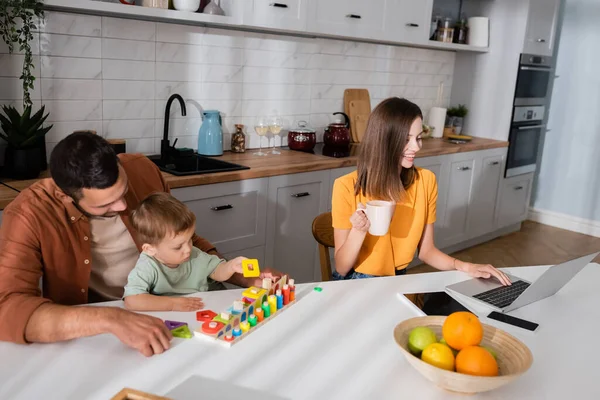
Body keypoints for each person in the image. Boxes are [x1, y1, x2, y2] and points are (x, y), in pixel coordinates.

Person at [0, 132, 280, 356]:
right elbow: (7, 308)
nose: (123, 206)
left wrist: (247, 277)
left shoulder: (142, 170)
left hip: (173, 312)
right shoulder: (29, 214)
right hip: (98, 338)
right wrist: (108, 319)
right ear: (67, 196)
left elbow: (187, 244)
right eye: (107, 204)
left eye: (122, 191)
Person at [331, 97, 511, 285]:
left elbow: (427, 252)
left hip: (397, 280)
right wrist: (358, 231)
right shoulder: (347, 186)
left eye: (418, 138)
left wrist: (466, 266)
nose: (416, 147)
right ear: (384, 141)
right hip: (354, 281)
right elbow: (342, 267)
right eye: (406, 140)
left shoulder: (425, 181)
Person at [124, 193, 245, 312]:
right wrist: (173, 304)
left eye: (190, 239)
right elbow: (132, 300)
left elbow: (217, 271)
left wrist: (231, 266)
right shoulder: (147, 265)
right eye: (178, 247)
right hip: (174, 313)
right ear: (150, 249)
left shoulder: (195, 254)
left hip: (205, 306)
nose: (188, 249)